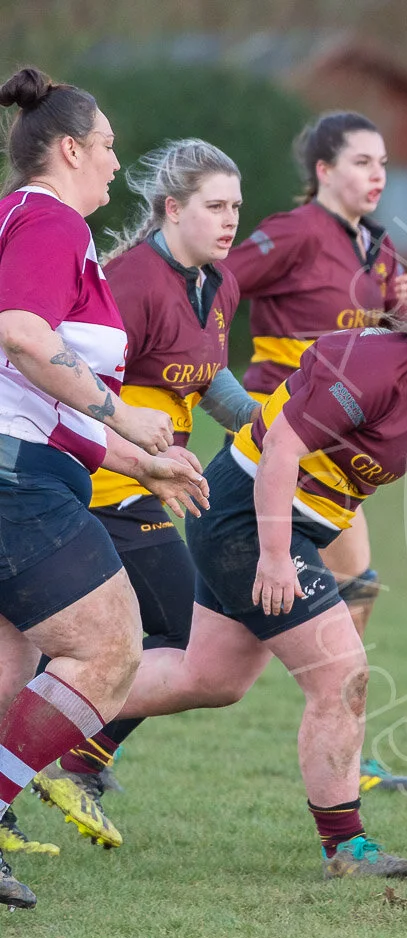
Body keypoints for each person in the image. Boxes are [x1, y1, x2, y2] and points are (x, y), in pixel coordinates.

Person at [101, 243, 407, 879]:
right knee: (341, 675)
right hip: (251, 521)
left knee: (209, 678)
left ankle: (47, 701)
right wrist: (273, 556)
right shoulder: (379, 366)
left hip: (269, 526)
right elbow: (279, 454)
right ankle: (345, 847)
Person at [0, 67, 208, 909]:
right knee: (112, 646)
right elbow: (19, 336)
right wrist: (122, 417)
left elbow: (41, 393)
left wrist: (139, 464)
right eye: (112, 146)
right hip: (17, 477)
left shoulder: (36, 222)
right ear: (72, 148)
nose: (120, 165)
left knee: (14, 662)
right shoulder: (46, 218)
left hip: (28, 461)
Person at [24, 138, 262, 852]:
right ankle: (63, 741)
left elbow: (207, 377)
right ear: (172, 209)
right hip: (100, 480)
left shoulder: (219, 284)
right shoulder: (128, 281)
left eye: (236, 208)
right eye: (214, 207)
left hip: (151, 484)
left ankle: (70, 744)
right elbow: (74, 378)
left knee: (152, 637)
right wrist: (132, 447)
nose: (229, 221)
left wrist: (268, 426)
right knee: (185, 634)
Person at [223, 110, 407, 793]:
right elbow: (215, 284)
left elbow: (386, 346)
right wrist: (204, 370)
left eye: (382, 162)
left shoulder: (378, 248)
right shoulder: (292, 233)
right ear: (322, 170)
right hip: (280, 445)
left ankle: (349, 753)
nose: (378, 174)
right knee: (224, 642)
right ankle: (91, 739)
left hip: (334, 457)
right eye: (362, 162)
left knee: (324, 603)